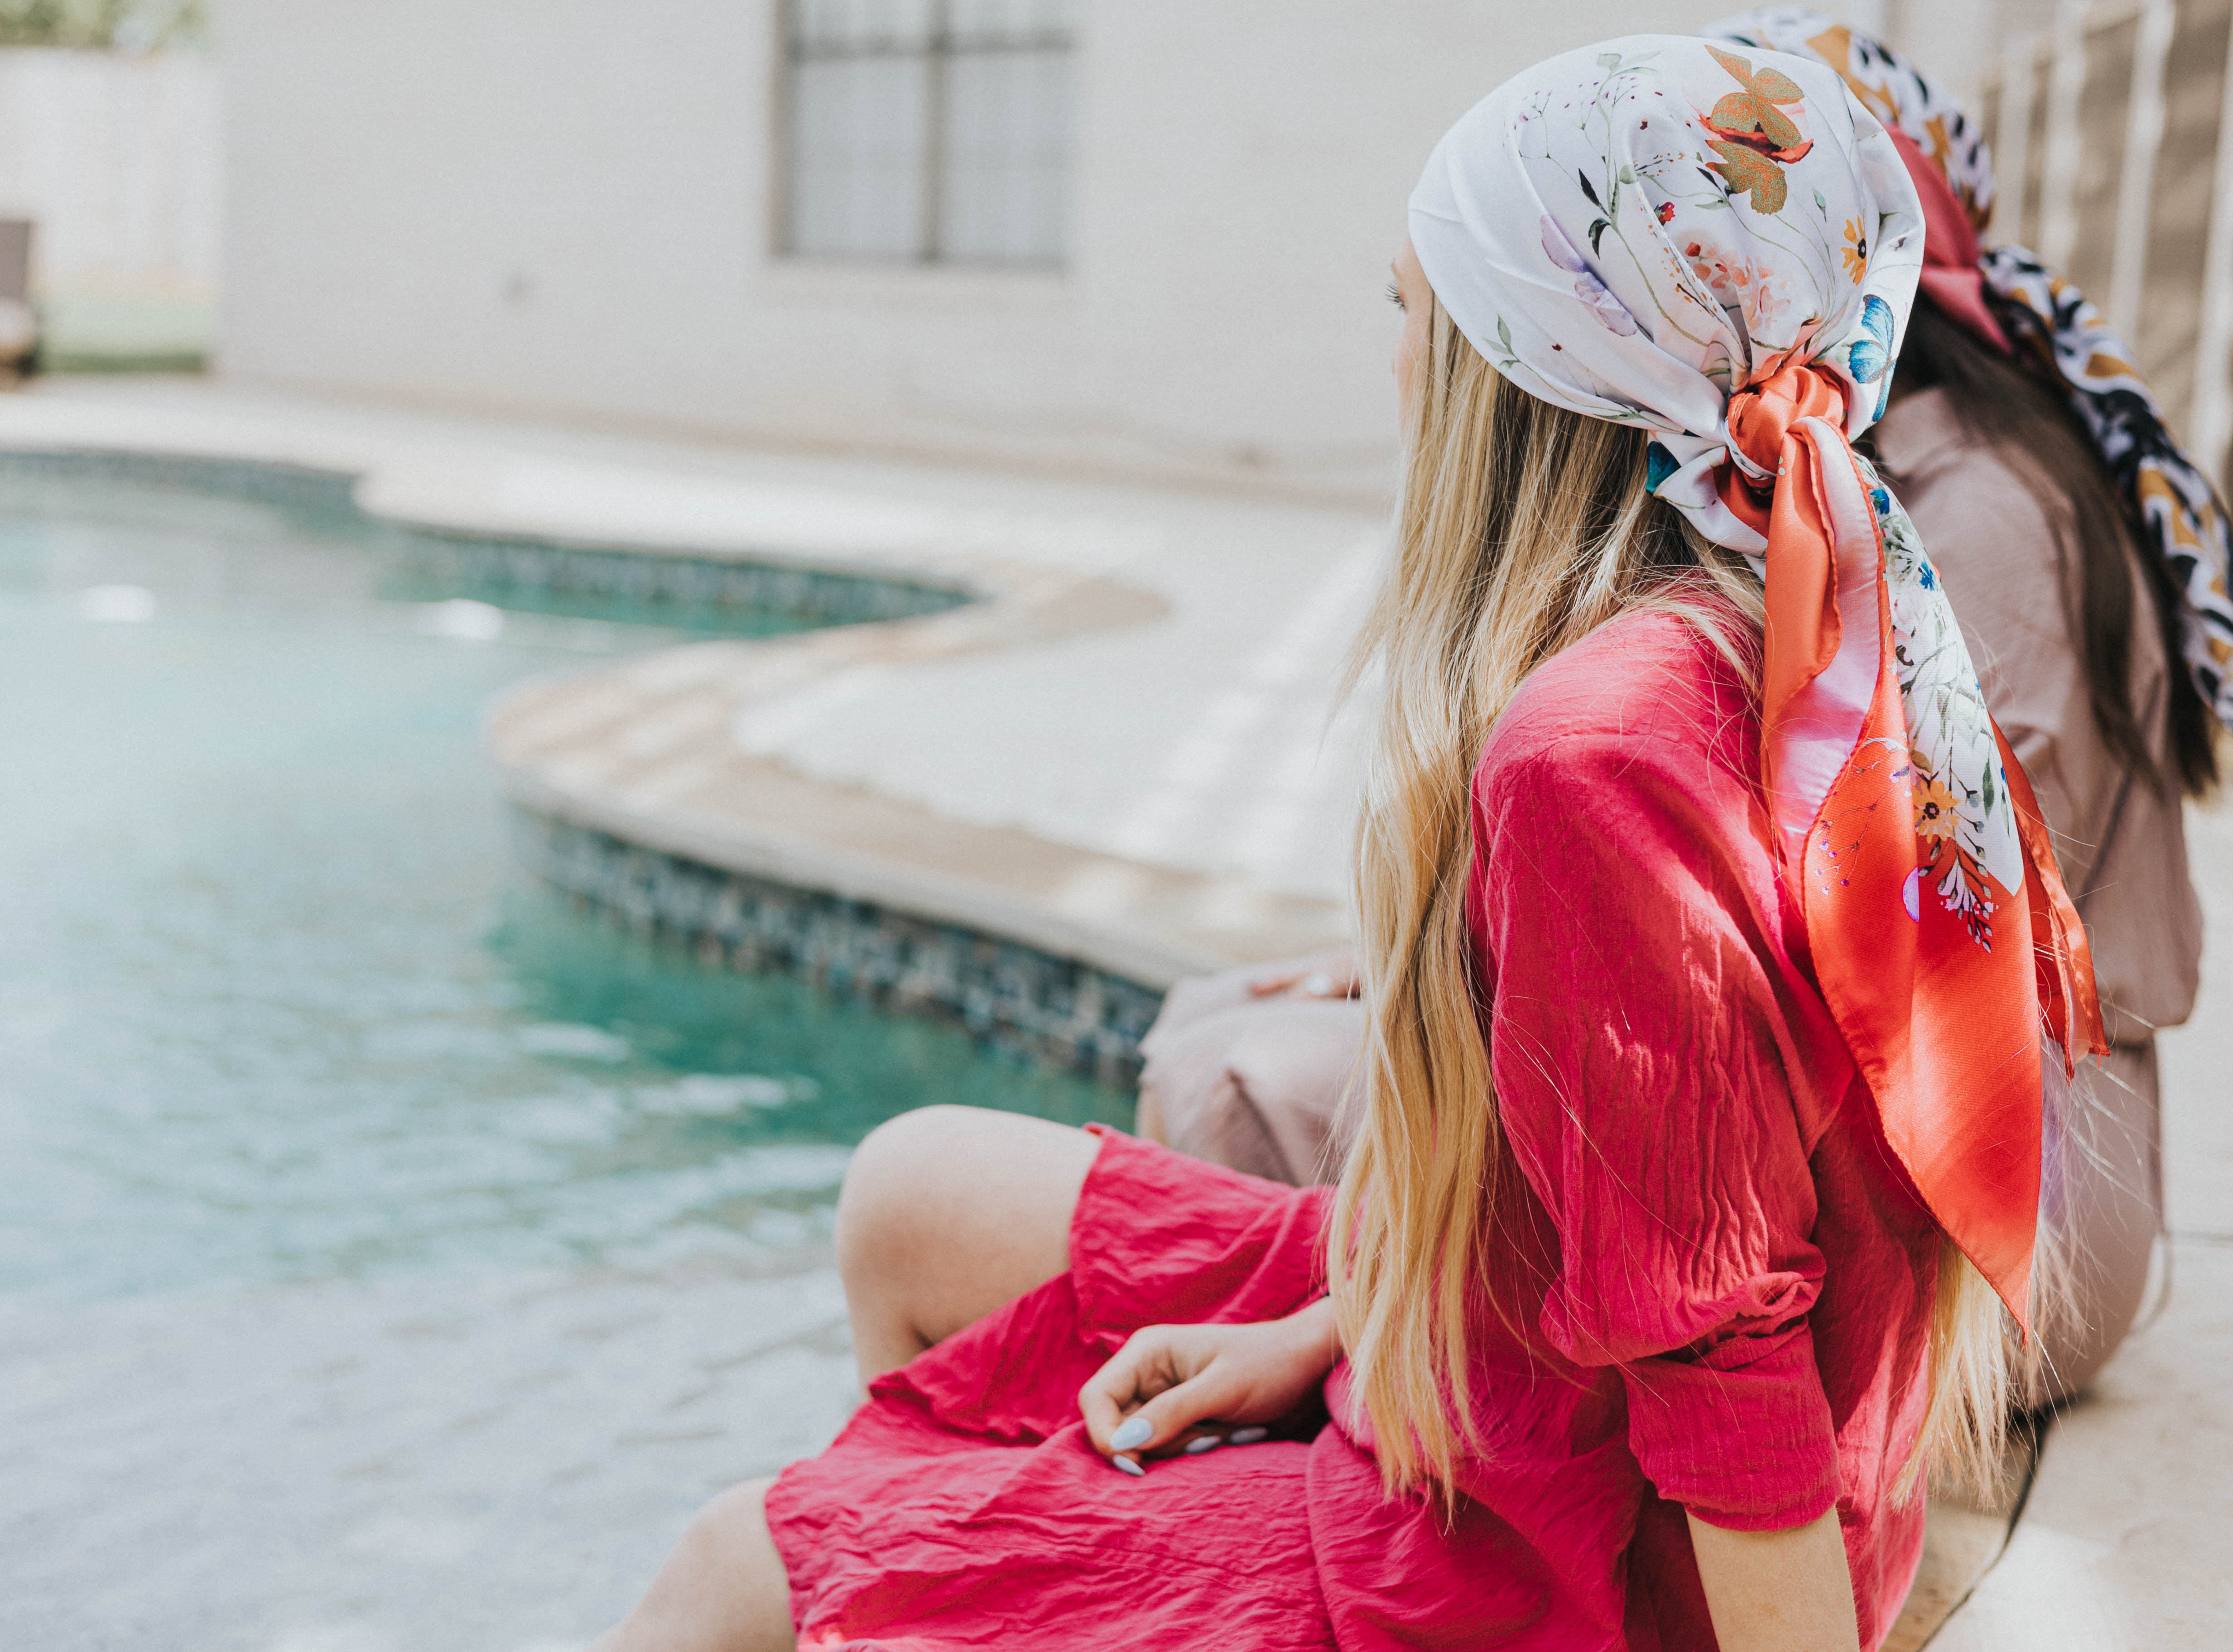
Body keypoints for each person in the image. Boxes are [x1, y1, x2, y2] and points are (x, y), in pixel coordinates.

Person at [593, 35, 2105, 1652]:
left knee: (732, 1573)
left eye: (1413, 306)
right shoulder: (1822, 632)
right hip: (1506, 1373)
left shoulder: (1590, 759)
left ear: (1533, 366)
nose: (1392, 357)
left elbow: (1722, 1358)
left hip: (1555, 1565)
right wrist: (1334, 1329)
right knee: (913, 1193)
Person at [1139, 5, 2233, 1404]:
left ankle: (1314, 1401)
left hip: (2006, 1203)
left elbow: (1877, 936)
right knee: (1223, 1011)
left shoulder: (1976, 511)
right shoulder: (1827, 477)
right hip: (1852, 1128)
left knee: (1239, 1075)